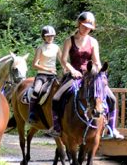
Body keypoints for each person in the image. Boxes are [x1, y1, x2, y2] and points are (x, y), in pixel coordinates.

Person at [51, 11, 123, 139]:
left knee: (112, 98)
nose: (86, 30)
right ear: (78, 24)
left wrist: (101, 72)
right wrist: (72, 70)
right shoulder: (69, 40)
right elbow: (63, 60)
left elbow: (96, 61)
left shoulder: (93, 42)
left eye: (89, 28)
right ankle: (57, 127)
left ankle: (111, 128)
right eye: (84, 26)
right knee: (57, 97)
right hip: (74, 75)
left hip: (91, 75)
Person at [27, 25, 61, 124]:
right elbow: (34, 65)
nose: (50, 38)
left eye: (52, 36)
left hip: (53, 76)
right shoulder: (40, 48)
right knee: (36, 91)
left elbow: (62, 61)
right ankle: (32, 113)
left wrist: (67, 69)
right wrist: (47, 69)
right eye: (48, 36)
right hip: (42, 75)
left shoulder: (56, 48)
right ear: (44, 37)